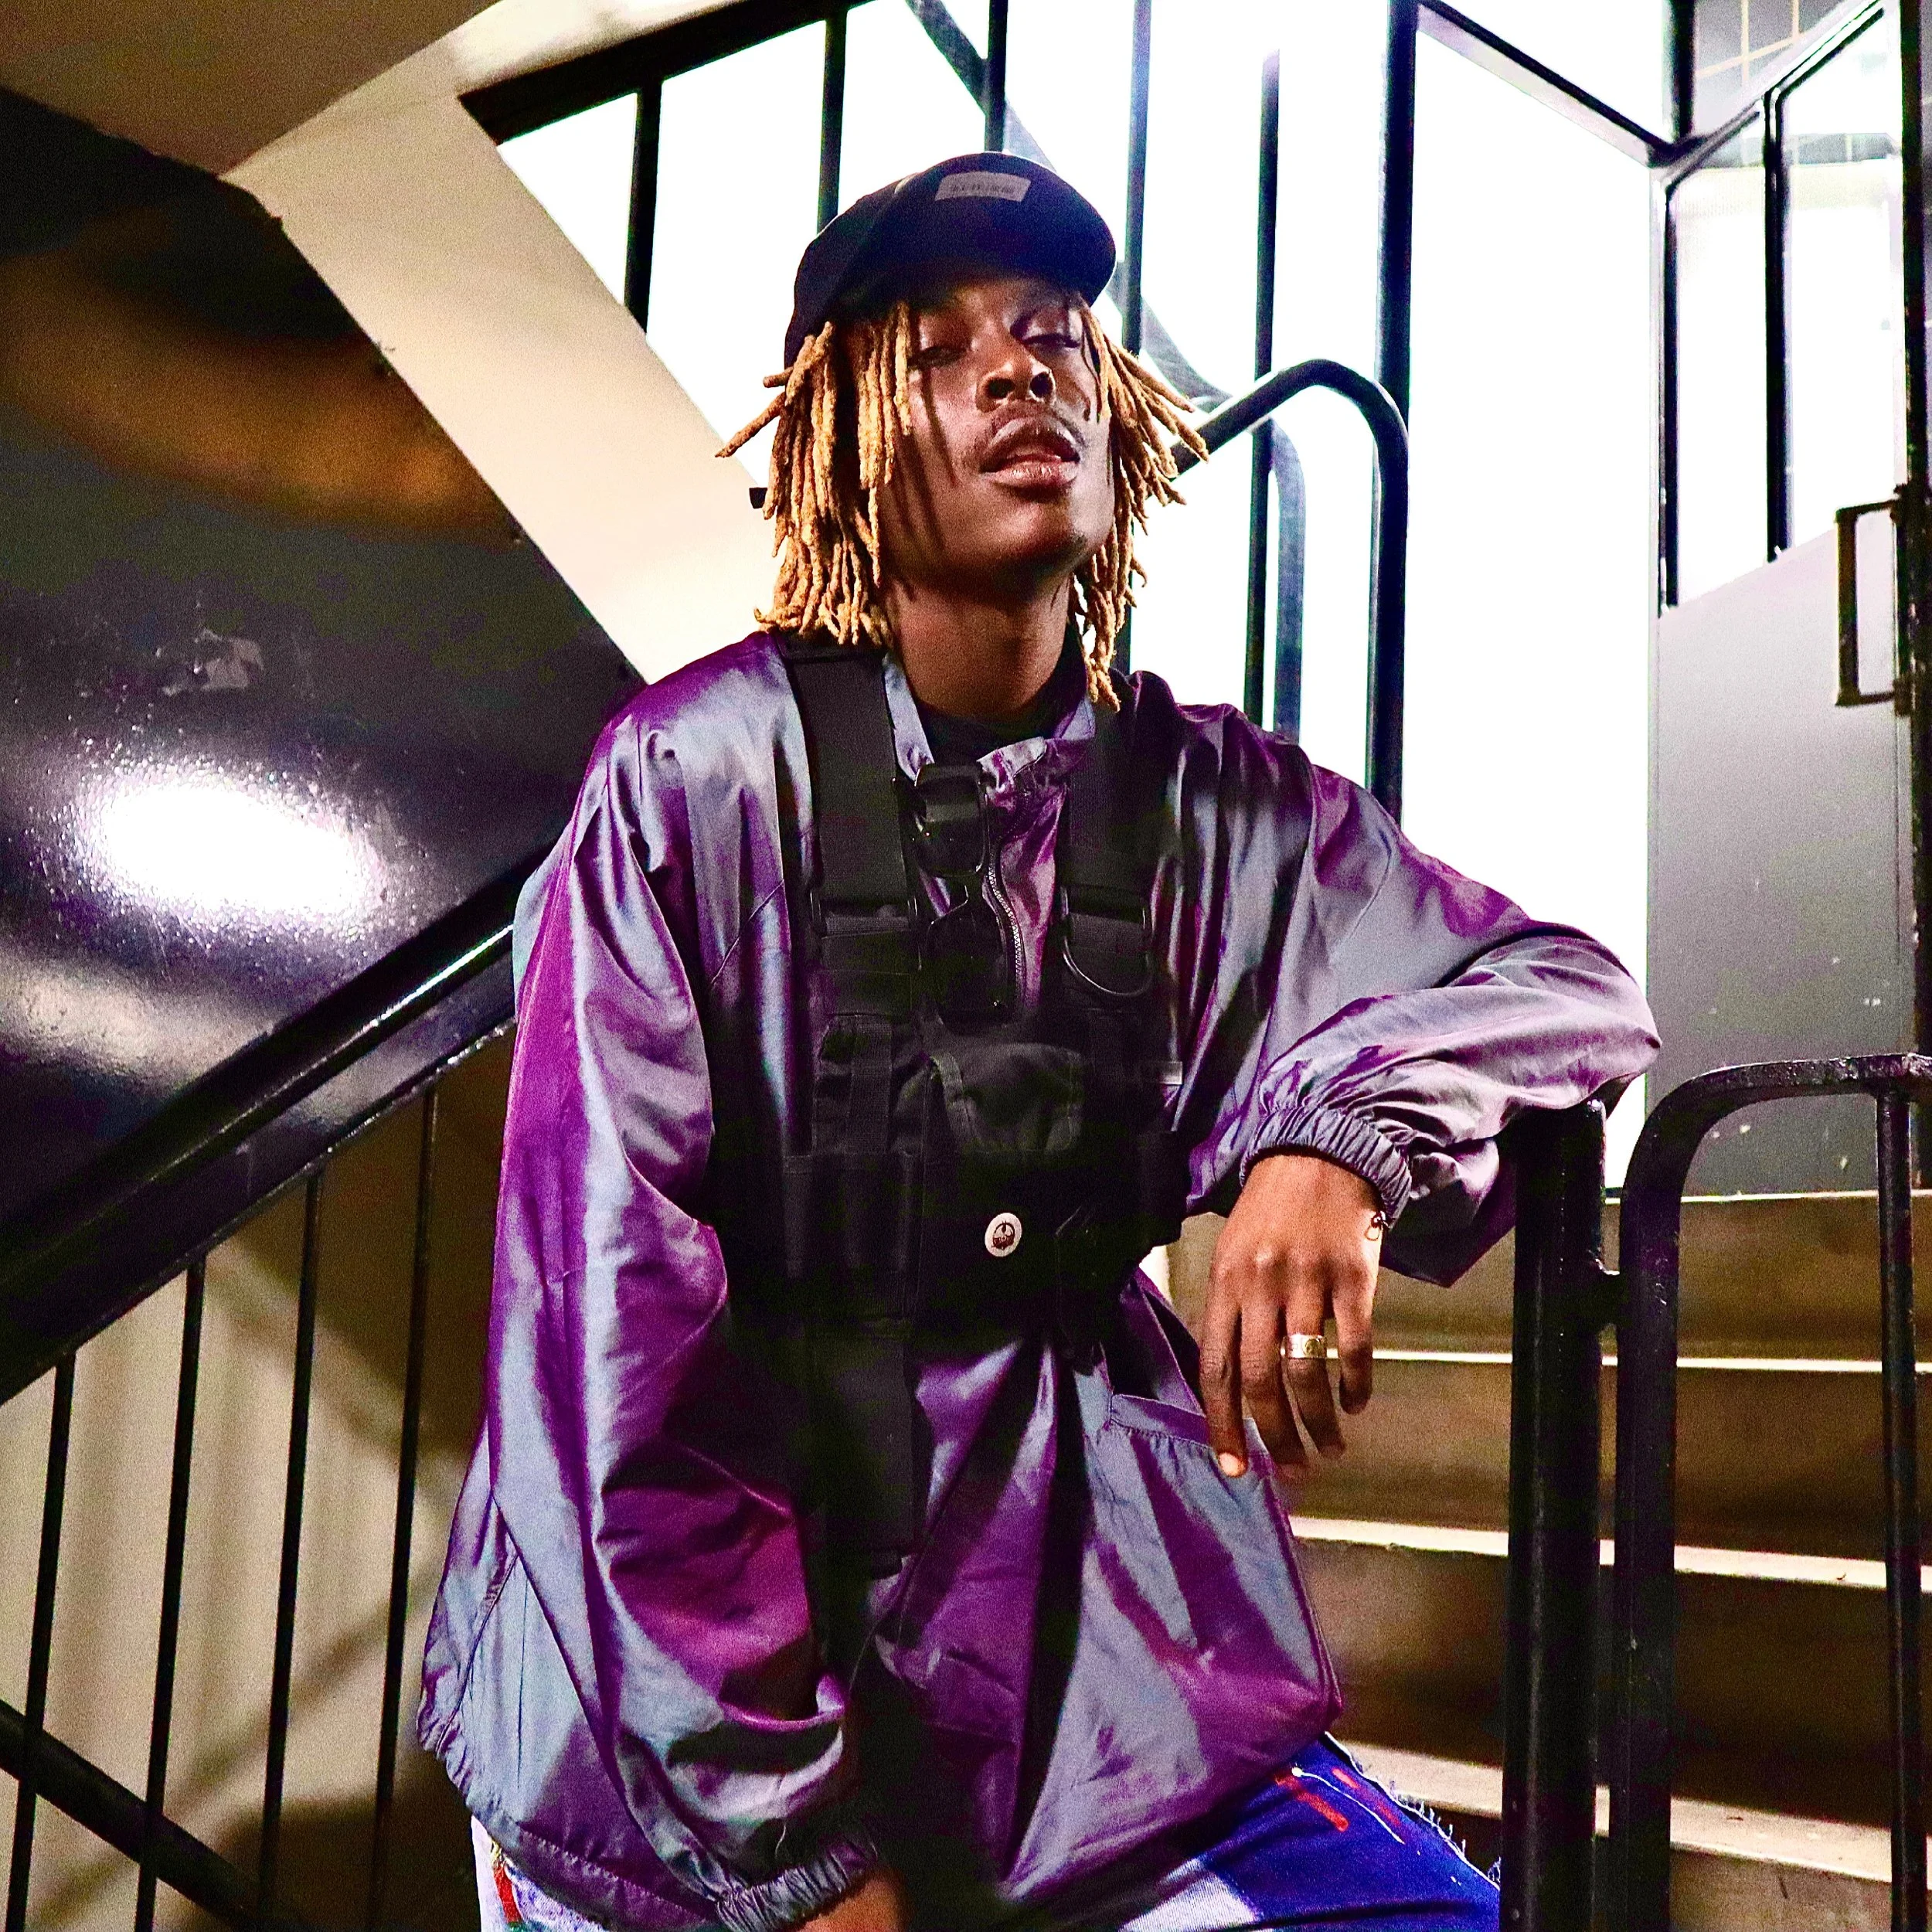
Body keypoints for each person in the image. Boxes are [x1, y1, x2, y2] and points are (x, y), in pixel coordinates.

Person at [420, 154, 1658, 1932]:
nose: (1021, 369)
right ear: (846, 426)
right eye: (940, 349)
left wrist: (1336, 1133)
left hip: (1085, 1681)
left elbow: (1557, 985)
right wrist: (791, 1860)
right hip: (666, 1731)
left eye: (1053, 333)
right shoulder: (685, 782)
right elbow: (606, 1371)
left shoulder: (1210, 804)